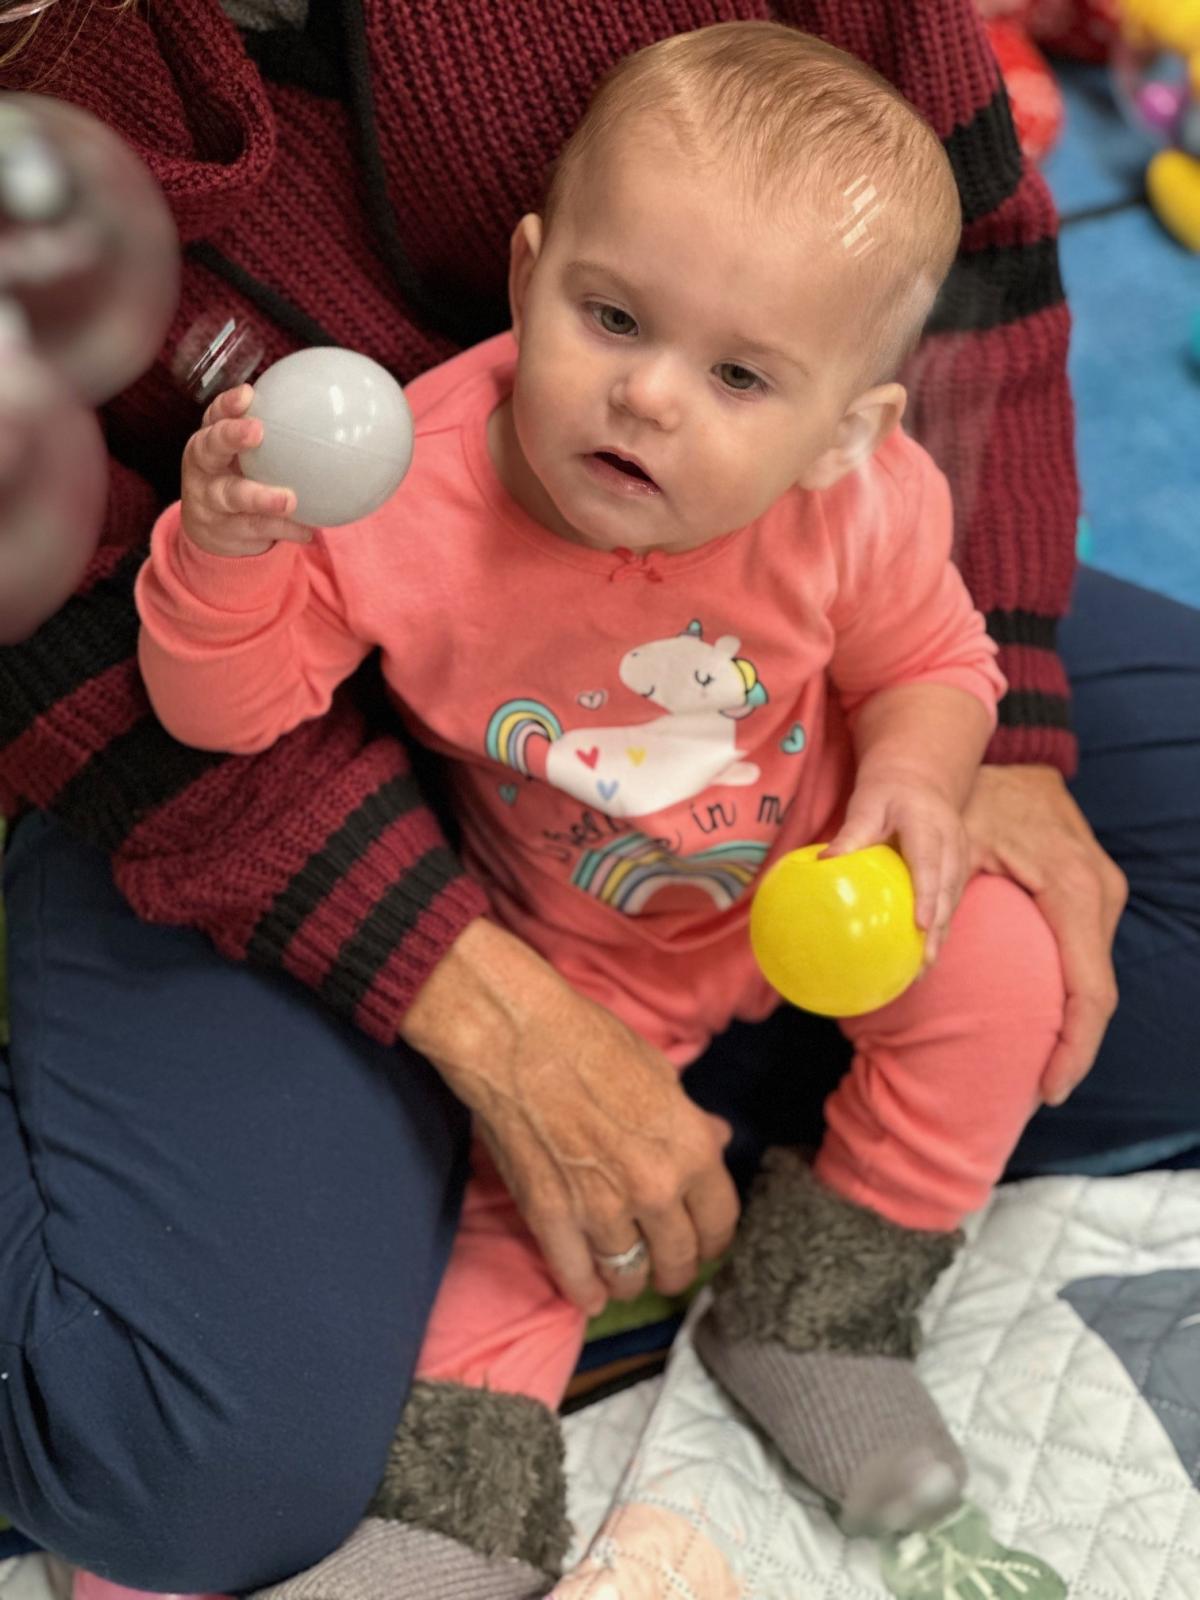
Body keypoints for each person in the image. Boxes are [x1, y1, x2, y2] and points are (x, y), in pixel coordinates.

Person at [0, 0, 1196, 1595]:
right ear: (526, 272)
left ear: (849, 428)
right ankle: (463, 1498)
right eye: (610, 320)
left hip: (798, 890)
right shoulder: (418, 484)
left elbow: (934, 655)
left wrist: (937, 783)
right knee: (541, 1220)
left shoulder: (863, 502)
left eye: (739, 375)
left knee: (1011, 968)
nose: (647, 400)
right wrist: (221, 553)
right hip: (564, 944)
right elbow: (221, 713)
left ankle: (820, 1301)